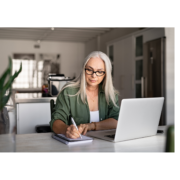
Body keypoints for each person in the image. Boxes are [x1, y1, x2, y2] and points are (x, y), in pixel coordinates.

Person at [50, 51, 120, 139]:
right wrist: (67, 130)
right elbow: (56, 122)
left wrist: (92, 126)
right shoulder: (68, 91)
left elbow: (116, 121)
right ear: (83, 70)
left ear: (105, 74)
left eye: (100, 71)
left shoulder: (111, 94)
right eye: (90, 70)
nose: (94, 75)